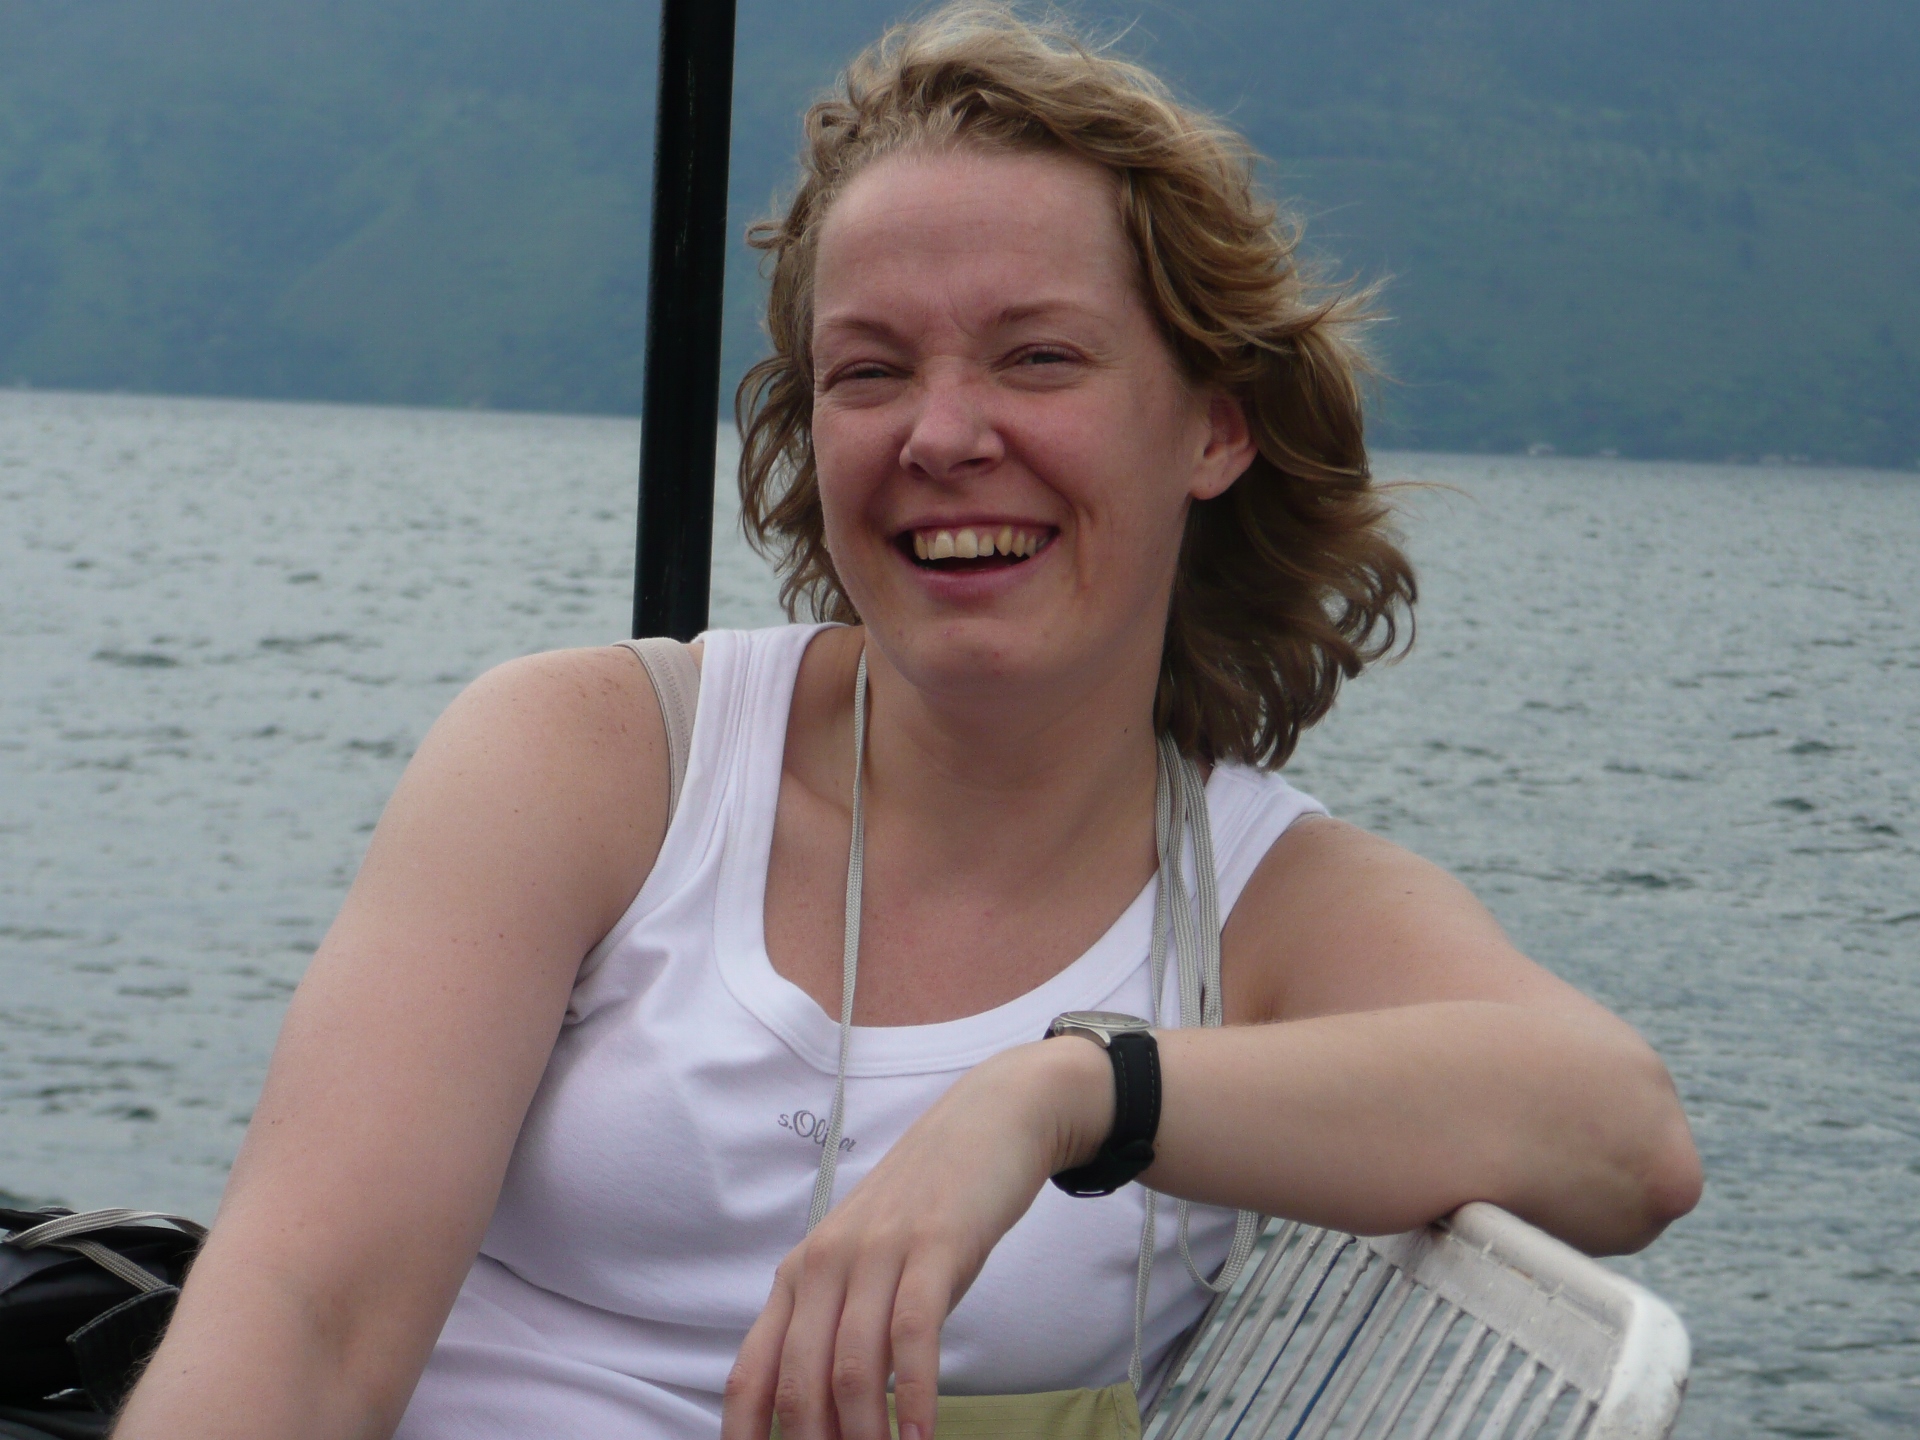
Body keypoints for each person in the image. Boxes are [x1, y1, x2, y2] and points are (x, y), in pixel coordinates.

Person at [114, 7, 1702, 1439]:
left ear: (1215, 430)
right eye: (869, 372)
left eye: (1038, 357)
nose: (943, 435)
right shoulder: (595, 760)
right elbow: (309, 1322)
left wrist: (1059, 1097)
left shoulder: (1261, 908)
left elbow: (1623, 1138)